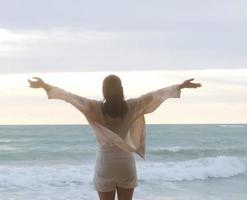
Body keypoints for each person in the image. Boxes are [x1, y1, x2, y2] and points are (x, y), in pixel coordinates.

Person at [28, 74, 201, 200]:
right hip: (126, 164)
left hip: (105, 165)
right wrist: (180, 86)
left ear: (104, 91)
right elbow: (154, 96)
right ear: (121, 89)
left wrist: (45, 86)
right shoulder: (131, 106)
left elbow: (70, 98)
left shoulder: (93, 107)